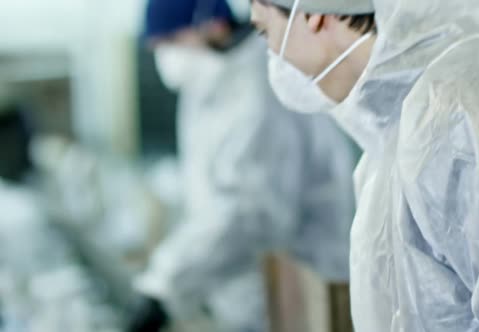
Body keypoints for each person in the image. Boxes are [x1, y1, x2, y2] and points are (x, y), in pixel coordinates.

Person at [250, 0, 479, 331]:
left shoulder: (463, 104)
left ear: (313, 15)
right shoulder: (393, 142)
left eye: (267, 33)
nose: (277, 61)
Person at [128, 0, 356, 331]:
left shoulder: (263, 87)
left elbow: (252, 213)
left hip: (304, 294)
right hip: (249, 295)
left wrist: (164, 285)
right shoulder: (209, 82)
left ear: (213, 26)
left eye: (172, 41)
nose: (166, 58)